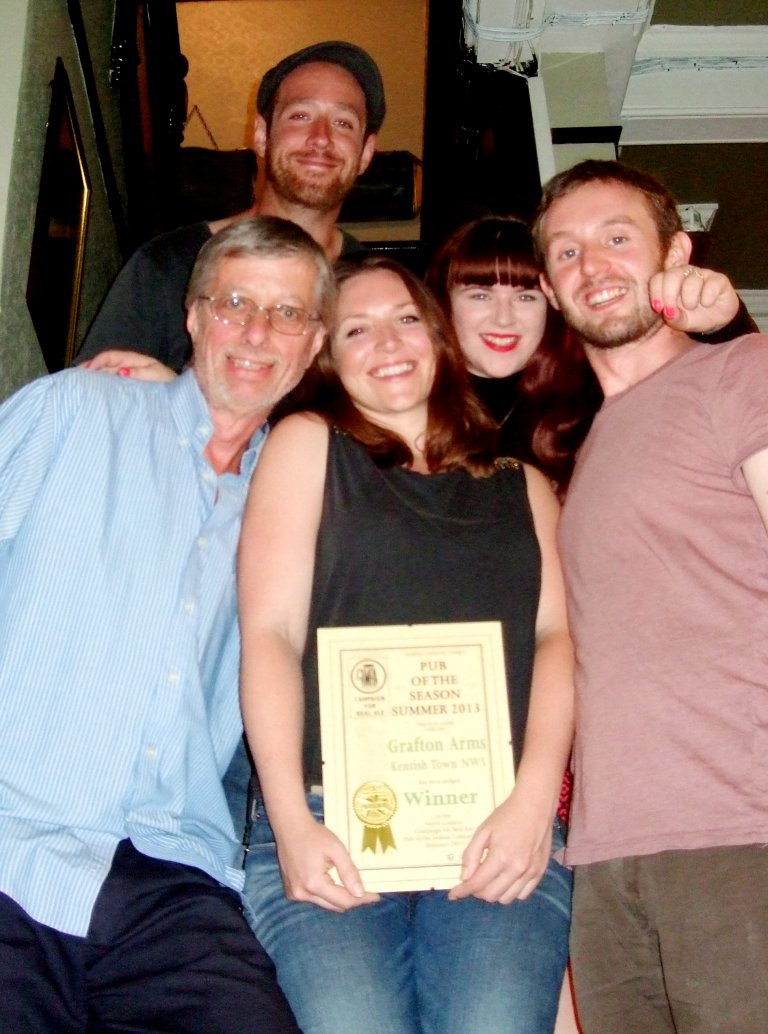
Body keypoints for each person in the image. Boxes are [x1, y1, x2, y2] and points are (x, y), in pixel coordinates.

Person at [0, 216, 332, 1032]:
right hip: (12, 842)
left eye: (287, 314)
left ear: (314, 344)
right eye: (235, 303)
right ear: (192, 317)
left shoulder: (297, 509)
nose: (257, 332)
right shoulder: (75, 412)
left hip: (172, 878)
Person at [237, 253, 575, 1034]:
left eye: (405, 320)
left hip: (497, 821)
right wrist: (290, 821)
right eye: (356, 329)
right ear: (326, 354)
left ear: (440, 338)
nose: (385, 343)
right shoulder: (310, 444)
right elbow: (271, 635)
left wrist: (534, 802)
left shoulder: (521, 484)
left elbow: (558, 640)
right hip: (329, 818)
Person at [532, 159, 768, 1033]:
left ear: (677, 251)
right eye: (565, 252)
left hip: (738, 832)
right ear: (552, 293)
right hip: (608, 859)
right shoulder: (582, 455)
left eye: (616, 238)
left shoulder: (741, 370)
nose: (590, 264)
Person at [77, 40, 384, 372]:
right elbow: (89, 407)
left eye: (343, 123)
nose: (321, 137)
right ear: (262, 135)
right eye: (300, 115)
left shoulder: (379, 290)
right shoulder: (167, 267)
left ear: (366, 153)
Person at [426, 214, 757, 494]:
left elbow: (742, 398)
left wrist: (724, 323)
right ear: (444, 303)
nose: (503, 317)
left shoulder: (591, 401)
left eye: (525, 297)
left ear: (553, 303)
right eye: (480, 296)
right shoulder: (407, 404)